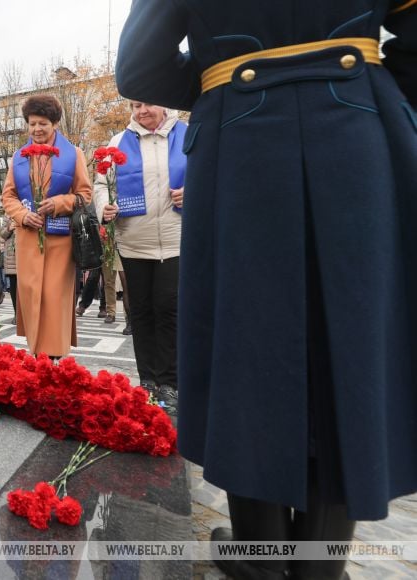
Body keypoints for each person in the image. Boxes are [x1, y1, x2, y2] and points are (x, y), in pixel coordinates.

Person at [116, 2, 417, 579]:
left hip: (240, 138)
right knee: (350, 337)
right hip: (356, 125)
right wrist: (361, 82)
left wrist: (225, 75)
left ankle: (261, 555)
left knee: (245, 340)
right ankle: (320, 564)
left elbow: (140, 67)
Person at [94, 101, 184, 415]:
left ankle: (170, 383)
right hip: (134, 240)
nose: (142, 110)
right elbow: (101, 184)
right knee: (141, 312)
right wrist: (104, 206)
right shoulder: (118, 141)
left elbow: (211, 176)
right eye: (135, 105)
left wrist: (193, 191)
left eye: (148, 103)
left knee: (168, 309)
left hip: (176, 240)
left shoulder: (187, 134)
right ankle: (147, 379)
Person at [1, 95, 93, 358]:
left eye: (43, 123)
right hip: (29, 239)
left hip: (61, 240)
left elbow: (85, 195)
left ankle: (52, 357)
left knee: (54, 298)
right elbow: (8, 196)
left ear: (54, 124)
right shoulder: (18, 157)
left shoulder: (74, 154)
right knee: (32, 296)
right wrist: (22, 215)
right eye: (32, 124)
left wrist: (59, 203)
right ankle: (37, 354)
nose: (36, 129)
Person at [0, 217, 18, 321]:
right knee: (14, 287)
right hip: (12, 256)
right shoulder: (8, 216)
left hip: (26, 253)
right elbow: (2, 235)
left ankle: (26, 314)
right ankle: (17, 314)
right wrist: (9, 228)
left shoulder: (30, 211)